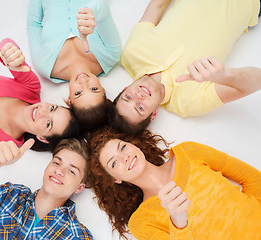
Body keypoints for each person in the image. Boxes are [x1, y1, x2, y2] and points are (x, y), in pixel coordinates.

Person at [109, 0, 261, 134]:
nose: (138, 97)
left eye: (128, 97)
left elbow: (157, 4)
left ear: (124, 89)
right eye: (140, 108)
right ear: (153, 114)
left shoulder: (132, 53)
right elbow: (257, 81)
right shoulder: (189, 102)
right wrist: (224, 76)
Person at [86, 126, 261, 239]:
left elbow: (253, 179)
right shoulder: (141, 221)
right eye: (114, 163)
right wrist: (179, 221)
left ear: (134, 145)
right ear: (115, 179)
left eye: (123, 147)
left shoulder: (188, 151)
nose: (125, 157)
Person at [0, 138, 94, 240]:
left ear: (79, 188)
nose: (59, 171)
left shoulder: (78, 235)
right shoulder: (11, 196)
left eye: (71, 171)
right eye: (56, 163)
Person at [27, 0, 121, 130]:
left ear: (69, 100)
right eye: (94, 89)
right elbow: (102, 9)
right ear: (104, 91)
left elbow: (34, 24)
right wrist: (91, 10)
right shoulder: (111, 54)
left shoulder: (44, 65)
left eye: (78, 93)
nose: (83, 82)